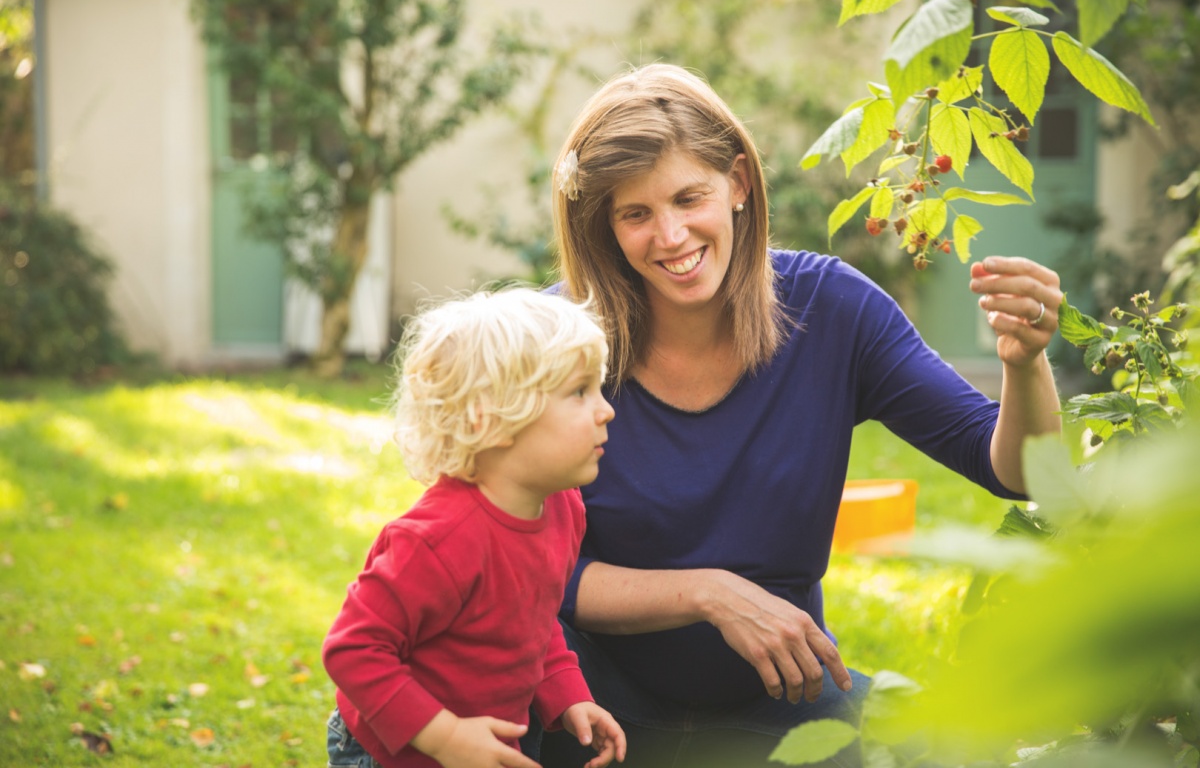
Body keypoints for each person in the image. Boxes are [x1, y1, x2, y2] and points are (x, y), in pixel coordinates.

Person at [530, 64, 1063, 768]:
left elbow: (1019, 472)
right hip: (586, 704)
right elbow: (517, 569)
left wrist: (1025, 362)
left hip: (783, 702)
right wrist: (708, 593)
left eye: (690, 197)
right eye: (635, 214)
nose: (670, 235)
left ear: (739, 184)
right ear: (604, 223)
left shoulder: (832, 312)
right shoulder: (557, 337)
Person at [323, 288, 628, 768]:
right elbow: (354, 650)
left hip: (493, 740)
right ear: (493, 419)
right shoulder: (437, 540)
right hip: (397, 751)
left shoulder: (563, 509)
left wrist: (568, 694)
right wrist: (445, 738)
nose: (605, 409)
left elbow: (531, 617)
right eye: (579, 391)